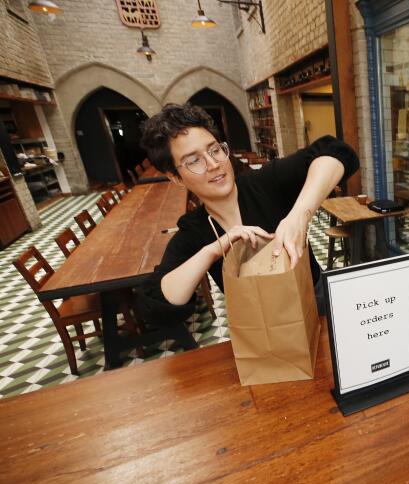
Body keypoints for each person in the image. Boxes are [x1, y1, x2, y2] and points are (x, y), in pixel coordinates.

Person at [137, 103, 359, 325]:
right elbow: (154, 304)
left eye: (214, 150)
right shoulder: (194, 229)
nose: (214, 164)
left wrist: (298, 216)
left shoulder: (265, 183)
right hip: (259, 326)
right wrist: (214, 249)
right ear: (175, 177)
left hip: (315, 301)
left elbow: (336, 151)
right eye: (194, 160)